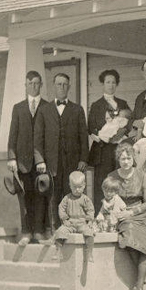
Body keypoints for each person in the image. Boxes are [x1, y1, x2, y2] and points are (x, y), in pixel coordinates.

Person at [7, 70, 55, 245]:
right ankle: (26, 232)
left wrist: (45, 159)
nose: (34, 86)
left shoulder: (48, 107)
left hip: (42, 162)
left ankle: (40, 232)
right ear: (26, 85)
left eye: (37, 83)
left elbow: (50, 136)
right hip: (22, 161)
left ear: (41, 85)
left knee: (41, 195)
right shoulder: (18, 108)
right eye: (31, 83)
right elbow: (12, 135)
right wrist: (11, 157)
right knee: (25, 196)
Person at [108, 141, 146, 290]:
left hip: (142, 212)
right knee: (128, 235)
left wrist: (133, 211)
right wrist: (119, 213)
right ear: (118, 160)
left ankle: (139, 285)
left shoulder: (141, 175)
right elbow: (108, 199)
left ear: (133, 159)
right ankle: (140, 281)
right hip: (122, 213)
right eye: (122, 159)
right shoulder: (112, 176)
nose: (126, 162)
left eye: (128, 158)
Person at [88, 69, 131, 211]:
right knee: (103, 184)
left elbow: (129, 123)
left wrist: (120, 134)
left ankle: (119, 216)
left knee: (119, 182)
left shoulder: (123, 104)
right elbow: (91, 127)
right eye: (108, 82)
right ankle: (100, 219)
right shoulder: (96, 105)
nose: (111, 85)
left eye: (113, 82)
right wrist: (105, 136)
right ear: (103, 84)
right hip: (102, 150)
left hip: (118, 150)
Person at [50, 72, 89, 227]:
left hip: (72, 163)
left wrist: (83, 159)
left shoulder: (77, 109)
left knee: (72, 195)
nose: (62, 87)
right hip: (52, 163)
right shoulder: (45, 109)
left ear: (69, 87)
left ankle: (72, 227)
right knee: (54, 196)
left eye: (65, 84)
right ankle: (55, 229)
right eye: (59, 84)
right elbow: (40, 137)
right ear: (54, 86)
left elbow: (83, 137)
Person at [53, 171, 96, 265]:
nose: (77, 190)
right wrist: (65, 219)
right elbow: (61, 208)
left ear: (84, 185)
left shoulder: (85, 199)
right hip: (70, 223)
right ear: (70, 186)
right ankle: (58, 250)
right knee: (60, 231)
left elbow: (90, 210)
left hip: (82, 223)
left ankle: (89, 253)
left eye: (79, 187)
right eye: (74, 187)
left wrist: (89, 221)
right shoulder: (67, 198)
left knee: (89, 232)